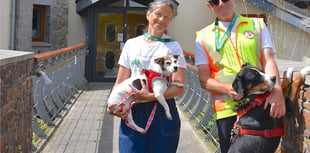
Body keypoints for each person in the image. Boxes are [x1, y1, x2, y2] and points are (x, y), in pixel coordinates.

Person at [194, 0, 286, 152]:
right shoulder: (202, 37)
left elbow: (269, 60)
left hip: (259, 103)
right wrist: (227, 89)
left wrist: (277, 91)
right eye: (215, 1)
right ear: (209, 5)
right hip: (227, 109)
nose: (222, 3)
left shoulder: (258, 25)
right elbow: (204, 80)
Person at [107, 0, 186, 153]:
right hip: (134, 109)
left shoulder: (172, 47)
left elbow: (178, 86)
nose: (161, 20)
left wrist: (150, 96)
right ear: (148, 15)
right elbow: (120, 82)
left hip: (163, 112)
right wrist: (112, 107)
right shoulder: (132, 44)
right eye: (158, 14)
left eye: (167, 17)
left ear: (170, 21)